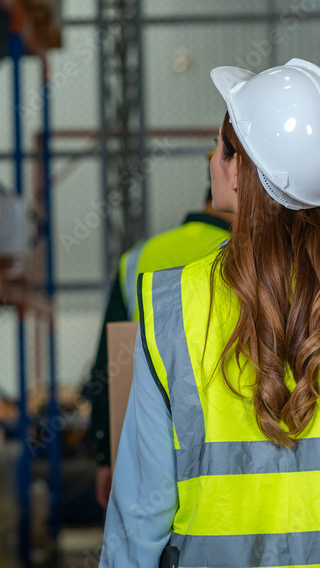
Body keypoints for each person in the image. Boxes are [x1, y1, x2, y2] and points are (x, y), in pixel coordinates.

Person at [99, 58, 320, 567]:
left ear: (238, 170)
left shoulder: (171, 306)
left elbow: (141, 513)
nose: (214, 159)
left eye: (220, 148)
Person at [86, 185, 232, 509]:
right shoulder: (250, 256)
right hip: (225, 445)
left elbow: (108, 363)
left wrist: (104, 454)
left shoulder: (139, 257)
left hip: (146, 440)